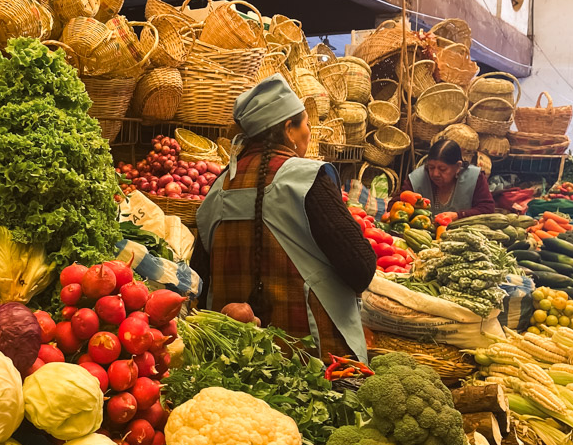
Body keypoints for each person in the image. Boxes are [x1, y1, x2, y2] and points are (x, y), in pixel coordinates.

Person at [191, 74, 377, 362]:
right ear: (289, 129)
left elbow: (200, 283)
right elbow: (360, 267)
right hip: (312, 366)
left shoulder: (218, 188)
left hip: (232, 362)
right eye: (305, 123)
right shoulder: (306, 180)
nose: (309, 132)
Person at [391, 139, 495, 220]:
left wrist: (458, 216)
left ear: (458, 166)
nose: (435, 174)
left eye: (442, 169)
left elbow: (487, 209)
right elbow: (394, 205)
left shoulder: (474, 178)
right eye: (431, 167)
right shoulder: (418, 178)